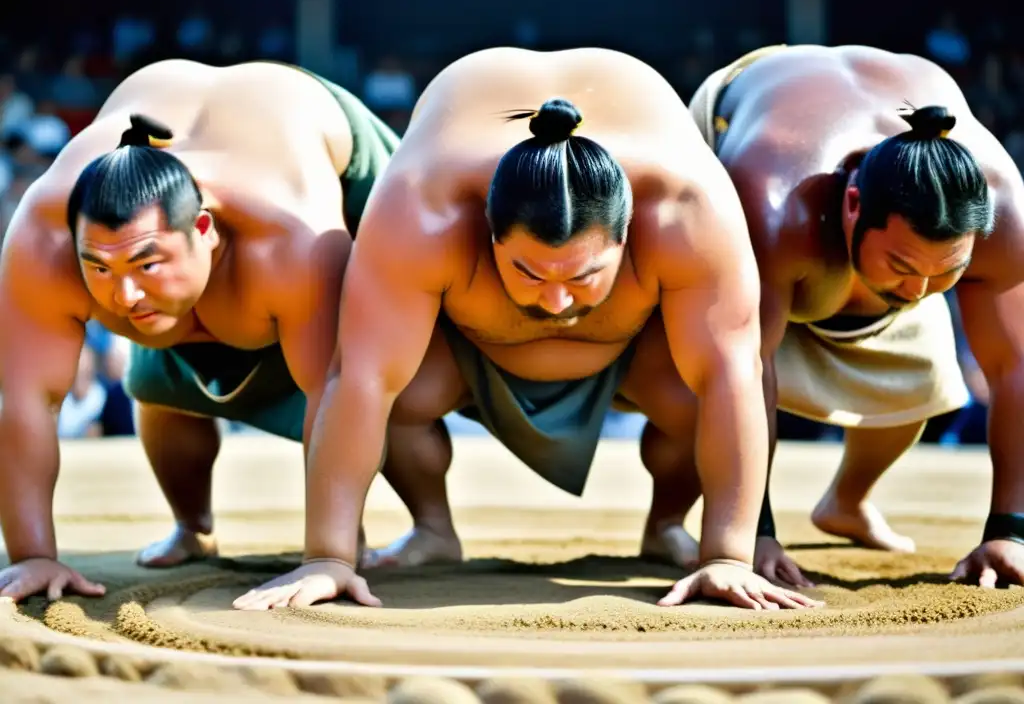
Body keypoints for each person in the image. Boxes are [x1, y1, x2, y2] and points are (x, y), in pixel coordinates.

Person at [233, 47, 823, 613]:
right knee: (386, 386)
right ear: (488, 234)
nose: (558, 299)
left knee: (706, 391)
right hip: (466, 352)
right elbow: (358, 377)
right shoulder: (423, 210)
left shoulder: (686, 211)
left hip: (635, 354)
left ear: (628, 237)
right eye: (529, 272)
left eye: (586, 276)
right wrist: (327, 559)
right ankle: (433, 527)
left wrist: (730, 554)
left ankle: (669, 524)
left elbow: (735, 374)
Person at [0, 59, 398, 602]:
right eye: (99, 268)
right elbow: (25, 400)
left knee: (404, 375)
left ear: (205, 229)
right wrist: (33, 555)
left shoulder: (295, 240)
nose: (125, 295)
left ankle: (421, 526)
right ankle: (193, 527)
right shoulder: (39, 239)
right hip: (181, 156)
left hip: (310, 124)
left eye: (145, 264)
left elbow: (337, 386)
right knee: (156, 377)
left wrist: (327, 557)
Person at [679, 43, 1024, 589]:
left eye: (947, 270)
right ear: (854, 203)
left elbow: (1015, 367)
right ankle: (675, 514)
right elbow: (741, 367)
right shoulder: (770, 200)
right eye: (902, 264)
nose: (920, 288)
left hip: (868, 136)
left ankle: (847, 501)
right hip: (736, 109)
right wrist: (751, 536)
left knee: (920, 371)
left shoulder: (1004, 212)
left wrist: (1012, 530)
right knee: (712, 346)